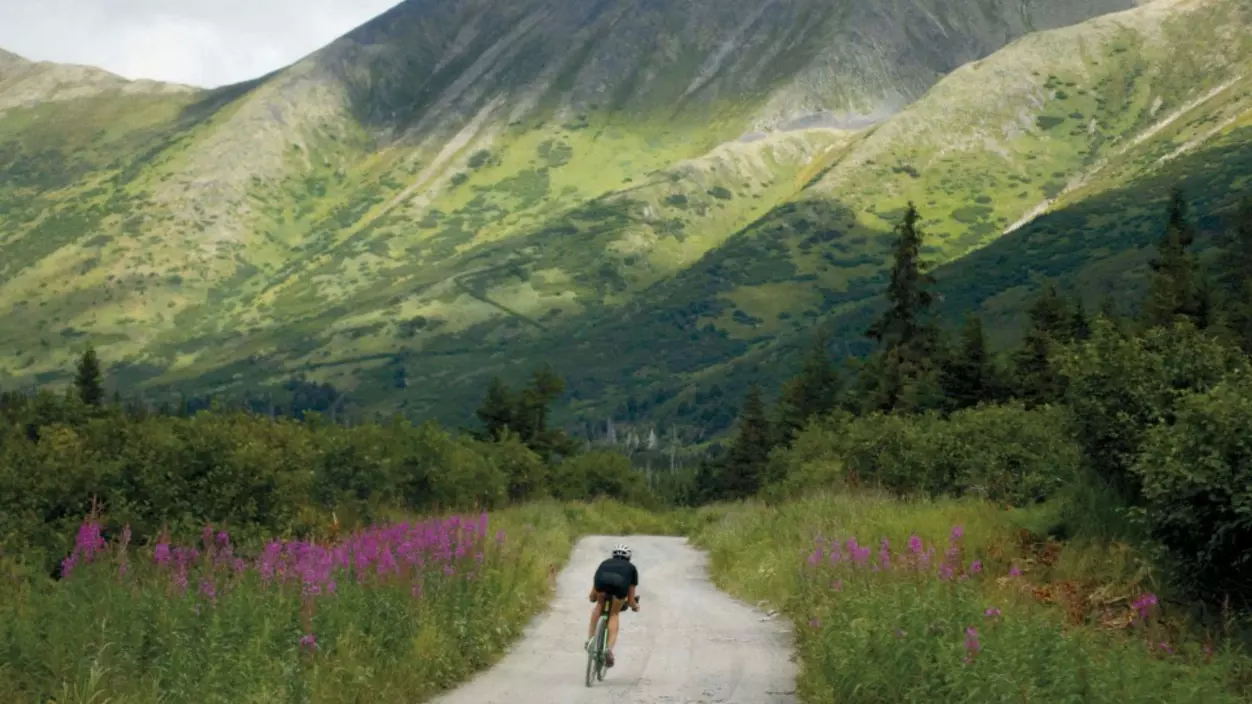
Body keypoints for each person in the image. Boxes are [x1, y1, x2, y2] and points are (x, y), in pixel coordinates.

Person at [586, 543, 639, 667]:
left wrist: (595, 598)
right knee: (614, 614)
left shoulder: (604, 564)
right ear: (628, 558)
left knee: (599, 605)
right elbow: (631, 600)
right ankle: (608, 650)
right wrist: (635, 606)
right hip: (619, 587)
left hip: (602, 584)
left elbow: (592, 596)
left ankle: (590, 640)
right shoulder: (631, 568)